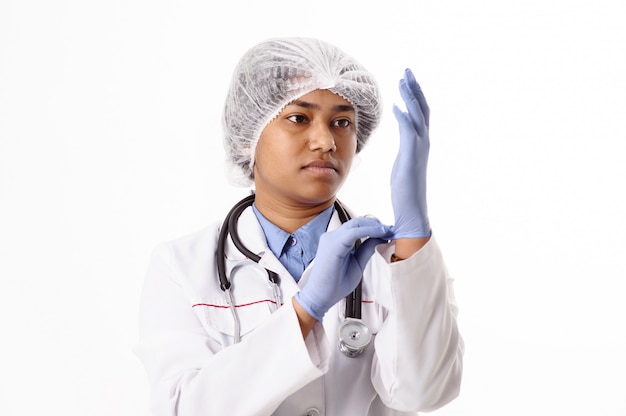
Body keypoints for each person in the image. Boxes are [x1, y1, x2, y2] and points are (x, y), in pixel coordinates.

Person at [134, 37, 464, 416]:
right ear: (247, 138)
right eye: (298, 118)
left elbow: (425, 393)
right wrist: (305, 310)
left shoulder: (396, 263)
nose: (326, 141)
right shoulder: (181, 267)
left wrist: (414, 236)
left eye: (342, 122)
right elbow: (182, 409)